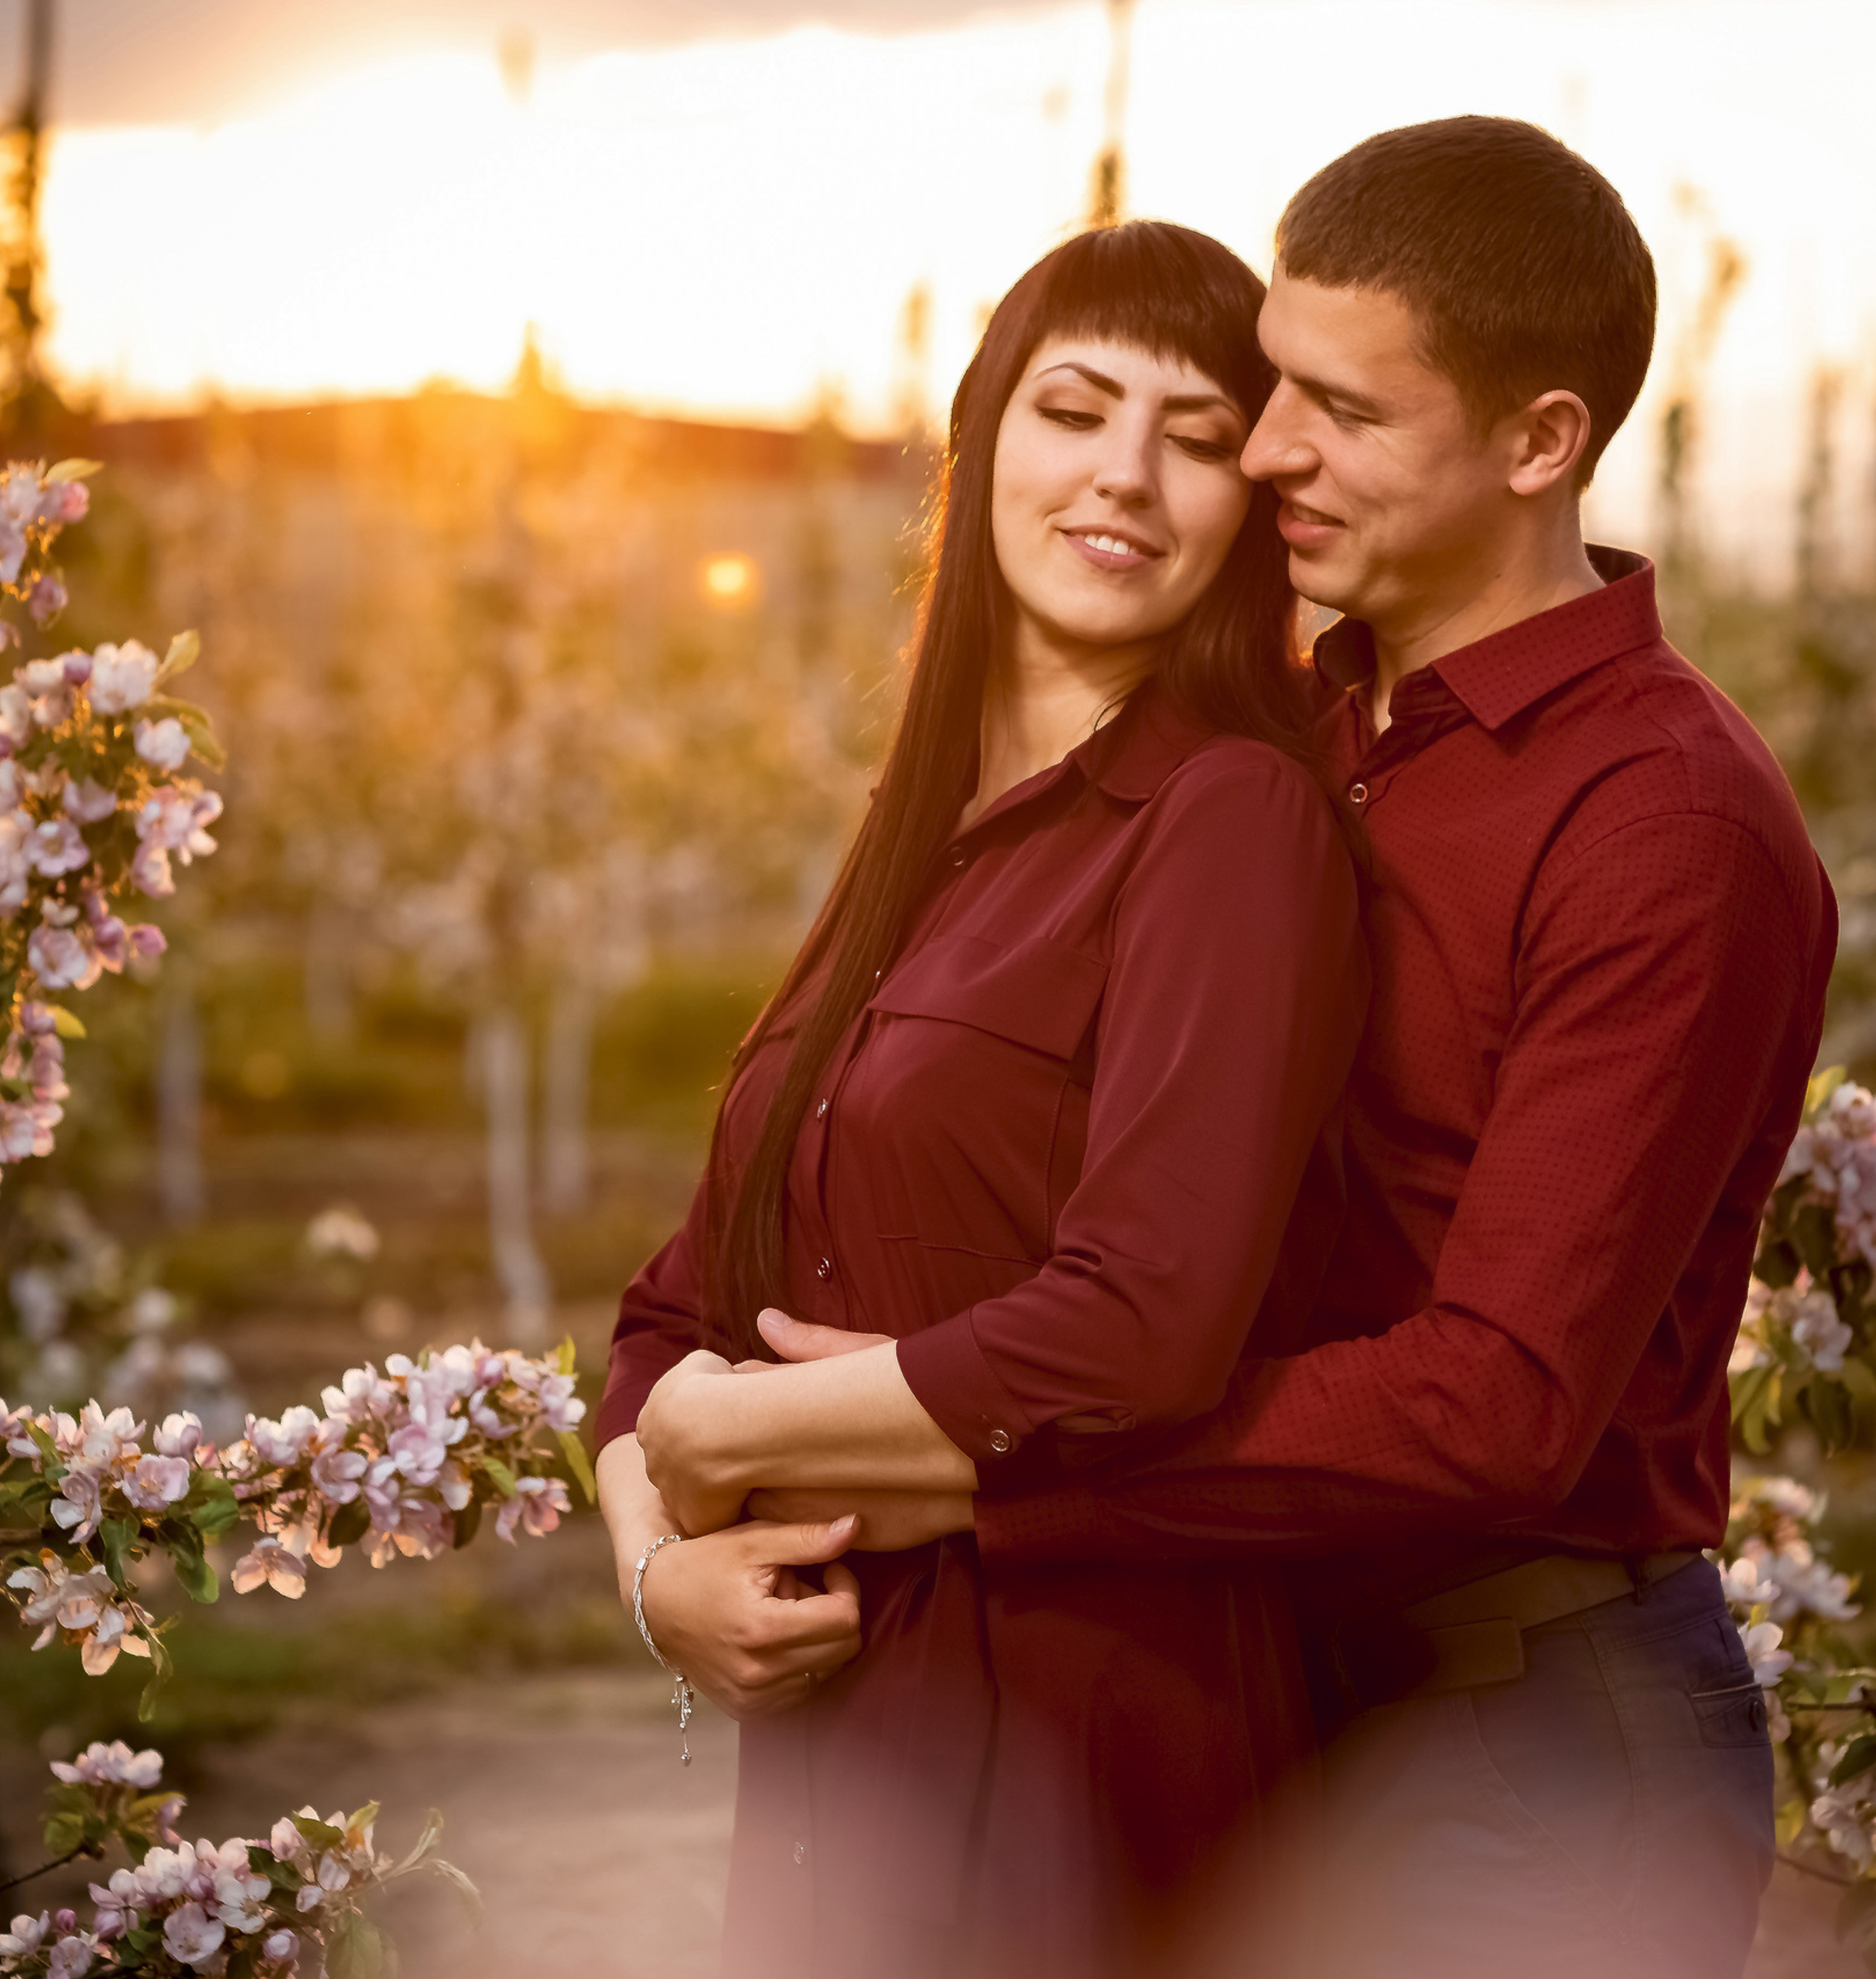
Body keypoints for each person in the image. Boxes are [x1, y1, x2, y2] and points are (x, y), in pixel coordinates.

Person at [746, 119, 1838, 1978]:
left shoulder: (1663, 825)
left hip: (1524, 1735)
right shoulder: (1292, 730)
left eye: (1339, 410)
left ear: (1537, 440)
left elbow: (1490, 1399)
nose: (1264, 453)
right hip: (1267, 1682)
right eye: (1273, 390)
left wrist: (973, 1455)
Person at [595, 220, 1366, 1979]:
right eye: (1074, 408)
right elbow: (675, 1303)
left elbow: (1146, 1317)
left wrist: (737, 1439)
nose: (1124, 476)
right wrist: (661, 1572)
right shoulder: (915, 841)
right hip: (840, 1735)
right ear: (981, 443)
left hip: (1087, 1730)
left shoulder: (1226, 819)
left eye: (1192, 435)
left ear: (1251, 501)